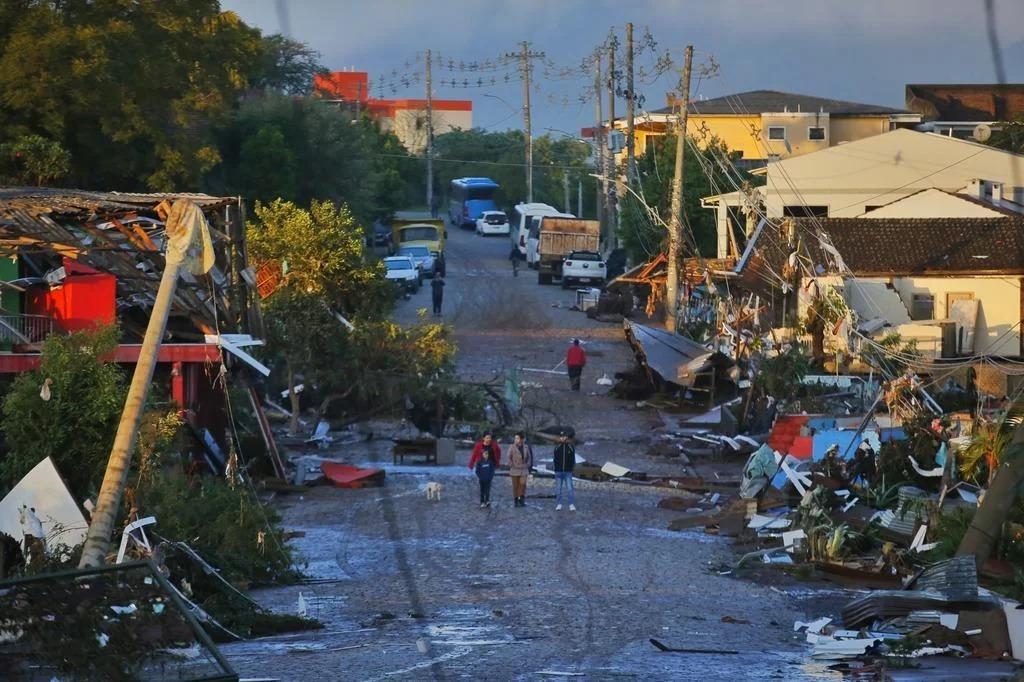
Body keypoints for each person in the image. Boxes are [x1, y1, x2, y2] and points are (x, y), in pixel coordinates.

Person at [468, 432, 501, 508]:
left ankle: (487, 500)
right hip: (481, 465)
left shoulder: (494, 444)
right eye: (487, 438)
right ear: (483, 438)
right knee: (482, 486)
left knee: (488, 485)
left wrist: (497, 461)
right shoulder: (479, 445)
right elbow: (474, 454)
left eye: (490, 438)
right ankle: (482, 501)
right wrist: (471, 464)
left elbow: (498, 452)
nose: (489, 439)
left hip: (490, 465)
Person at [507, 432, 533, 508]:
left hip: (523, 469)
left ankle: (521, 499)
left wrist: (528, 465)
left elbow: (529, 457)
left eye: (517, 438)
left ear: (521, 439)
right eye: (515, 438)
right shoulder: (512, 447)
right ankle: (515, 500)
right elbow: (508, 457)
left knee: (522, 485)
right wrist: (511, 465)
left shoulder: (526, 447)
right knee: (515, 486)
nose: (516, 440)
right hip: (514, 469)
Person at [552, 431, 576, 511]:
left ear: (566, 437)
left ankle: (571, 504)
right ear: (560, 438)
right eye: (561, 437)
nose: (563, 438)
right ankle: (559, 504)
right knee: (558, 489)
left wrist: (571, 468)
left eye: (564, 436)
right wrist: (555, 469)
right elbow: (554, 459)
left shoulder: (571, 447)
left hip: (568, 472)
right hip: (558, 472)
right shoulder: (557, 447)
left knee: (570, 488)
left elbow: (573, 460)